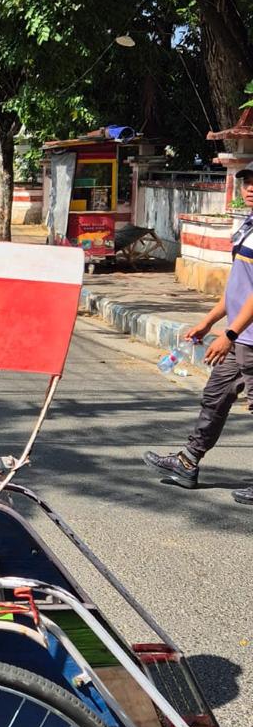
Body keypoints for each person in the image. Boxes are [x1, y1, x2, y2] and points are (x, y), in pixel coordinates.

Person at [143, 162, 253, 504]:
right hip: (240, 337)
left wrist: (230, 334)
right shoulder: (247, 228)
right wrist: (208, 321)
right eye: (247, 182)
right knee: (215, 397)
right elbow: (239, 286)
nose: (250, 188)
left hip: (247, 339)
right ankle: (188, 462)